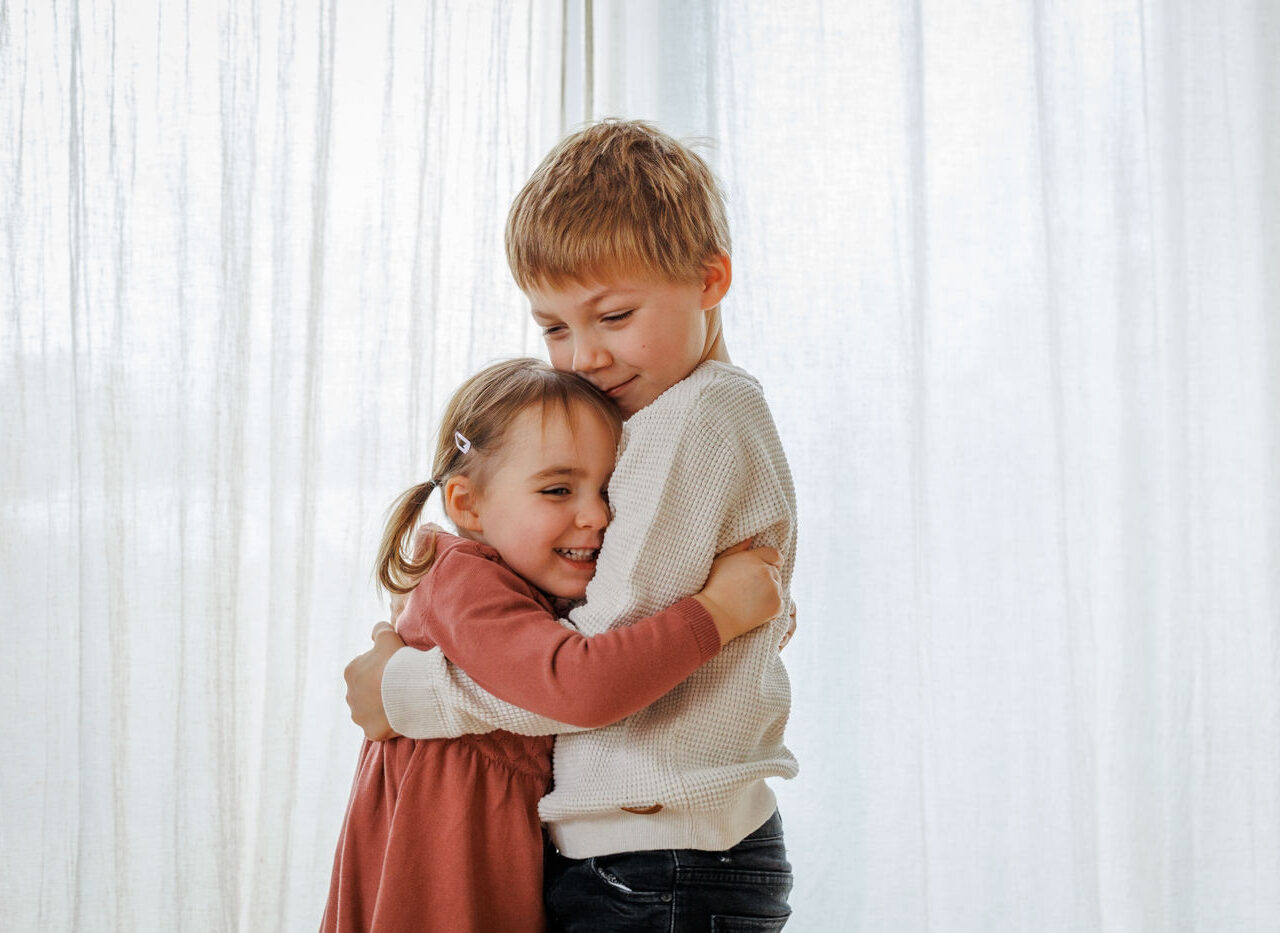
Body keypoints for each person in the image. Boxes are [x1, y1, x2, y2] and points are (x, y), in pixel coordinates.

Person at [345, 120, 799, 931]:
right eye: (554, 327)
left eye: (613, 315)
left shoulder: (692, 414)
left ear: (710, 279)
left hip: (662, 857)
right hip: (659, 853)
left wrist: (408, 693)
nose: (583, 356)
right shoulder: (662, 411)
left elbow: (593, 674)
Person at [322, 357, 784, 932]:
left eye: (609, 491)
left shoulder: (528, 588)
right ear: (467, 505)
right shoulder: (465, 581)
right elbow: (579, 685)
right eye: (558, 489)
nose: (596, 516)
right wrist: (718, 612)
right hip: (443, 859)